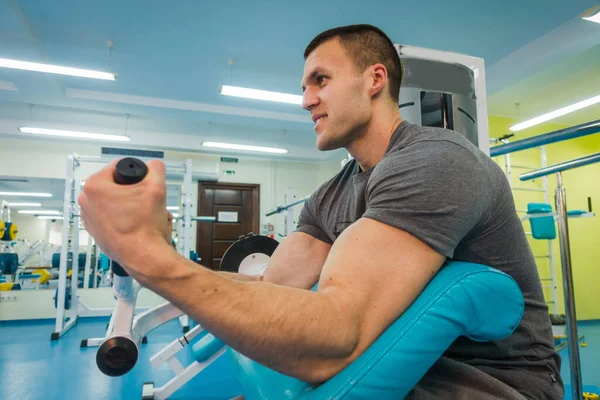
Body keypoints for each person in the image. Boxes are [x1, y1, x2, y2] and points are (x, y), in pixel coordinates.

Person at [79, 24, 563, 399]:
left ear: (375, 79)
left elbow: (336, 336)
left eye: (321, 80)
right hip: (391, 367)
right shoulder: (333, 193)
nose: (306, 99)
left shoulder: (435, 161)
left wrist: (150, 261)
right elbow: (273, 287)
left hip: (485, 384)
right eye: (305, 85)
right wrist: (170, 262)